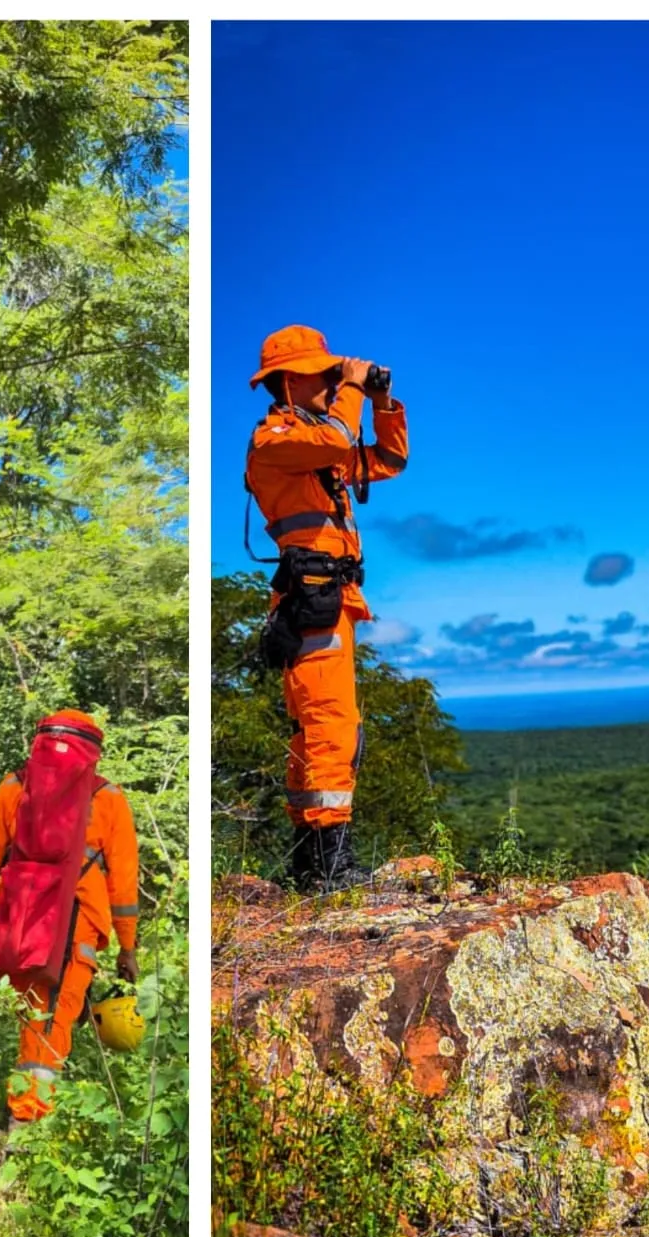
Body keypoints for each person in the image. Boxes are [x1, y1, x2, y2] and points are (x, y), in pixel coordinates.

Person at [245, 324, 408, 891]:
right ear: (291, 382)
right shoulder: (276, 443)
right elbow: (340, 441)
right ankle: (329, 865)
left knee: (321, 727)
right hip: (311, 596)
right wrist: (356, 387)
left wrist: (383, 404)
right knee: (329, 726)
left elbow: (388, 460)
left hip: (330, 595)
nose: (335, 379)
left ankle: (308, 861)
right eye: (325, 373)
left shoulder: (319, 445)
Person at [0, 710, 139, 1123]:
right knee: (51, 1026)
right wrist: (128, 947)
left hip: (21, 920)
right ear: (94, 755)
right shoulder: (108, 799)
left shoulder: (14, 786)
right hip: (79, 928)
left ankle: (26, 1113)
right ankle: (28, 1123)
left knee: (32, 1019)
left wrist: (5, 919)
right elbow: (123, 887)